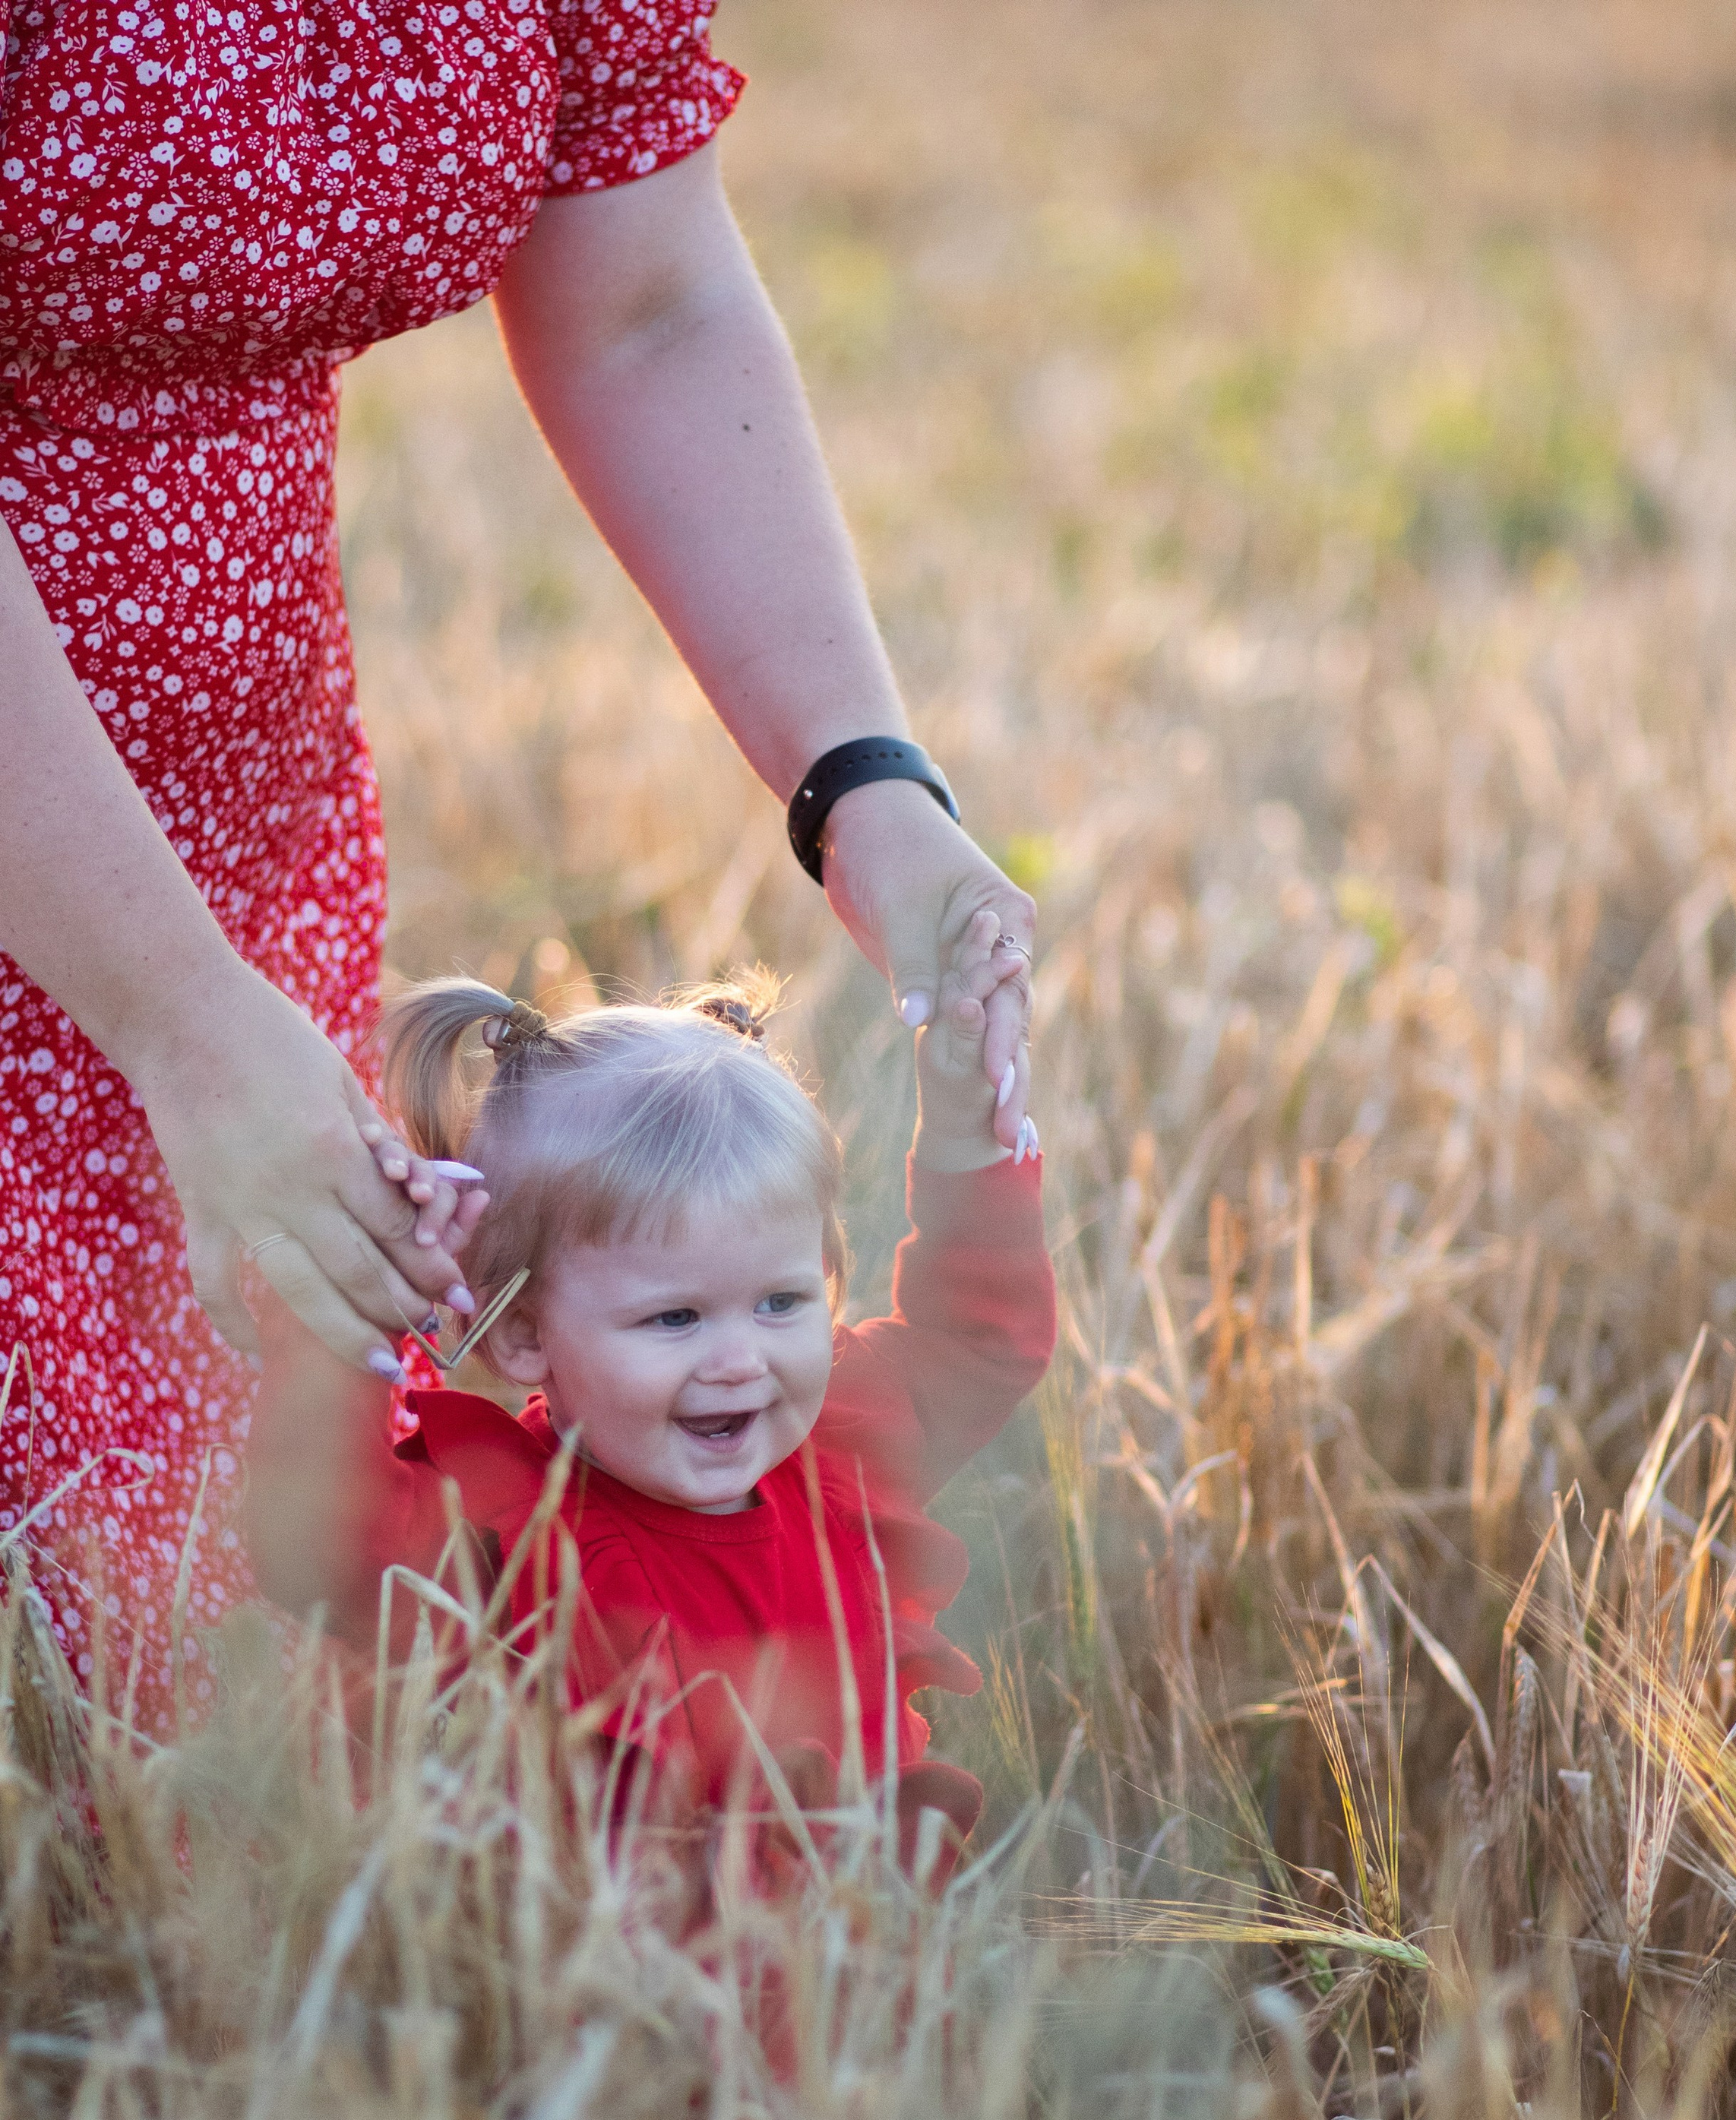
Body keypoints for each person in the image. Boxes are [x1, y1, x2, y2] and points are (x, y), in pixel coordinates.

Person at [0, 0, 1035, 1715]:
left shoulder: (758, 1458)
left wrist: (871, 792)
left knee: (200, 1703)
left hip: (244, 847)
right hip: (132, 920)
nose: (735, 1361)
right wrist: (178, 1010)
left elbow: (646, 307)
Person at [242, 933, 1054, 1873]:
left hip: (861, 1992)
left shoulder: (840, 1444)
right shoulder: (513, 1533)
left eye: (782, 1302)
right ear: (522, 1333)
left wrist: (965, 1122)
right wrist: (343, 1302)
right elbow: (321, 1554)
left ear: (829, 1276)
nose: (740, 1361)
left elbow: (981, 1341)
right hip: (610, 2005)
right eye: (675, 1318)